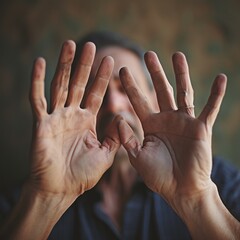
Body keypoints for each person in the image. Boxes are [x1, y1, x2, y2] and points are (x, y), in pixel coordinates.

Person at [0, 31, 240, 239]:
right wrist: (46, 200)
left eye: (126, 88)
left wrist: (196, 200)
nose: (114, 105)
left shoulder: (219, 183)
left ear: (154, 98)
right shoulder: (27, 201)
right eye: (97, 91)